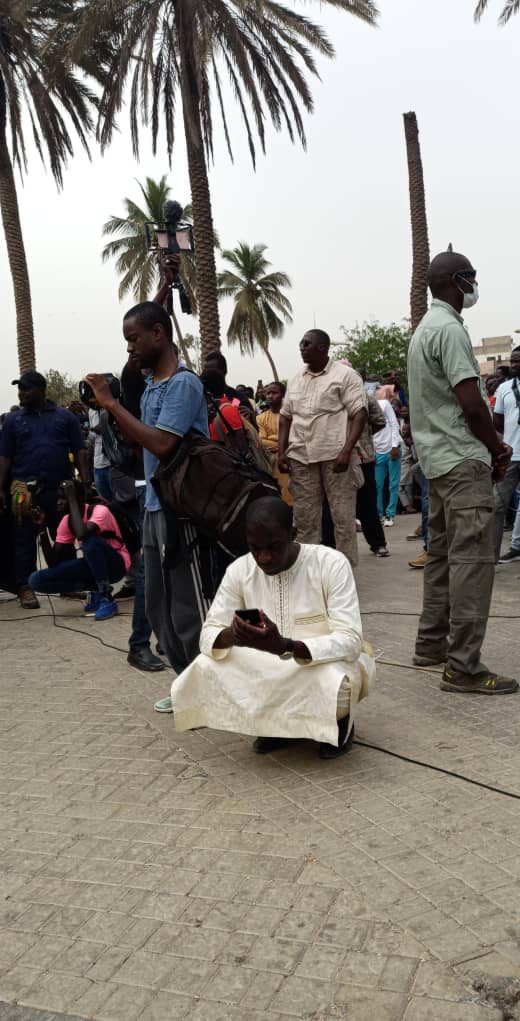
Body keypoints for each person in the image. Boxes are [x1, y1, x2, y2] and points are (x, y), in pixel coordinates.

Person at [171, 497, 375, 759]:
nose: (264, 558)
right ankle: (277, 727)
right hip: (268, 662)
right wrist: (236, 635)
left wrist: (287, 646)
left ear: (292, 534)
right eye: (255, 548)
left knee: (334, 681)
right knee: (205, 665)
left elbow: (350, 640)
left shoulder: (330, 563)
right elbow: (208, 635)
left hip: (317, 663)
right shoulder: (240, 569)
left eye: (274, 546)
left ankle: (338, 725)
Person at [85, 302, 213, 712]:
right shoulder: (152, 386)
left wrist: (111, 404)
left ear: (159, 333)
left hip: (183, 510)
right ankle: (187, 682)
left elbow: (161, 443)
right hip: (155, 506)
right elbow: (140, 444)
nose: (130, 347)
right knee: (158, 605)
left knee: (188, 605)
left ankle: (209, 687)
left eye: (134, 338)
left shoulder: (183, 385)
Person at [407, 248, 518, 695]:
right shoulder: (449, 330)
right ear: (457, 280)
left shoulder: (422, 331)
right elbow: (472, 405)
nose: (474, 285)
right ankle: (464, 665)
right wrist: (497, 449)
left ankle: (431, 644)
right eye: (471, 277)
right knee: (473, 562)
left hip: (436, 462)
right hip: (462, 459)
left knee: (440, 558)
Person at [0, 371, 90, 609]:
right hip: (22, 491)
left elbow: (79, 450)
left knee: (64, 536)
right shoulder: (12, 421)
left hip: (59, 488)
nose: (22, 394)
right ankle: (25, 587)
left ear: (42, 389)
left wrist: (86, 483)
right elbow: (5, 457)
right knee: (23, 539)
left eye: (26, 389)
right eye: (20, 389)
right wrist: (1, 488)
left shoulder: (65, 417)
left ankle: (67, 584)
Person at [279, 330, 367, 567]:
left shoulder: (346, 376)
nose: (301, 346)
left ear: (323, 348)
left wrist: (347, 450)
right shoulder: (296, 378)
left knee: (342, 518)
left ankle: (344, 572)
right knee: (305, 520)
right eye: (301, 342)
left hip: (336, 458)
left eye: (307, 343)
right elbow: (285, 417)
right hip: (301, 458)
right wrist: (281, 452)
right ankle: (308, 572)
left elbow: (360, 414)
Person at [29, 479, 129, 620]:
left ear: (79, 499)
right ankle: (95, 590)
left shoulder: (100, 511)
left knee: (89, 540)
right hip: (93, 565)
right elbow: (53, 562)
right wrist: (41, 528)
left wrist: (72, 499)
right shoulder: (67, 521)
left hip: (117, 565)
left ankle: (107, 597)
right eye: (58, 498)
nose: (59, 502)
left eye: (64, 498)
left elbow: (82, 533)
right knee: (36, 580)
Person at [493, 346, 520, 564]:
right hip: (511, 455)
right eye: (512, 361)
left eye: (517, 361)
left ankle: (516, 546)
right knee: (497, 504)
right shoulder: (504, 388)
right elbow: (498, 421)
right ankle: (490, 555)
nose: (513, 366)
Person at [355, 394, 390, 557]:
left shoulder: (365, 398)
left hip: (363, 457)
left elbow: (379, 421)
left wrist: (364, 435)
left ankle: (378, 544)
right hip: (332, 458)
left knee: (367, 503)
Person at [257, 382, 293, 505]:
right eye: (268, 393)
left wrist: (272, 437)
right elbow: (261, 441)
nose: (270, 396)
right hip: (272, 462)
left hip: (292, 459)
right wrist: (282, 444)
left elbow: (294, 438)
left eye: (274, 393)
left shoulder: (291, 415)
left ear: (283, 395)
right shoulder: (260, 418)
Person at [373, 397, 401, 526]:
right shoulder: (363, 406)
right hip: (377, 450)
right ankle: (379, 515)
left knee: (393, 484)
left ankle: (390, 515)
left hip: (392, 449)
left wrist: (394, 445)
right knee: (377, 485)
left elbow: (394, 423)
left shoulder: (384, 403)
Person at [88, 402, 113, 502]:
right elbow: (93, 437)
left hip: (113, 465)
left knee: (120, 502)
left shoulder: (111, 405)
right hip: (98, 464)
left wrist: (104, 427)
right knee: (105, 502)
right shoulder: (92, 410)